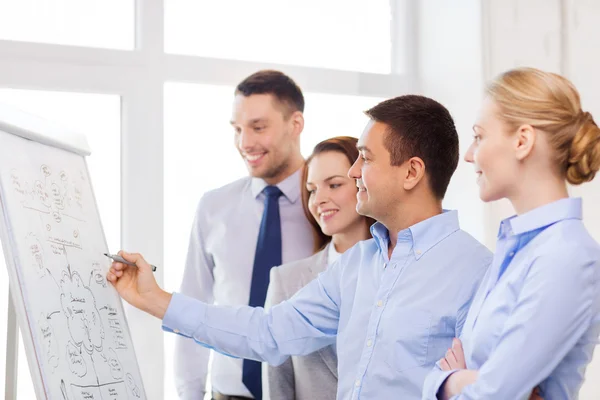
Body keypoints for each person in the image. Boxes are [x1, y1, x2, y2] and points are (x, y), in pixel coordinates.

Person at [107, 95, 493, 399]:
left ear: (411, 172)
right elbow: (268, 332)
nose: (355, 170)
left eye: (366, 158)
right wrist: (154, 299)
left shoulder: (477, 273)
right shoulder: (358, 264)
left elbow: (489, 389)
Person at [423, 67, 600, 400]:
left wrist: (453, 380)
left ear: (522, 141)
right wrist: (454, 380)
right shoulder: (519, 248)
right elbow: (444, 376)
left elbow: (489, 394)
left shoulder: (567, 256)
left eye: (479, 136)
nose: (469, 155)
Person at [174, 70, 315, 400]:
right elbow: (192, 308)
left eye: (258, 127)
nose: (244, 143)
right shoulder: (214, 207)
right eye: (237, 129)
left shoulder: (330, 208)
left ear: (295, 124)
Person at [263, 136, 374, 400]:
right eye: (312, 190)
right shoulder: (287, 280)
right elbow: (277, 382)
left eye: (334, 185)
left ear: (365, 183)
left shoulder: (399, 269)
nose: (319, 199)